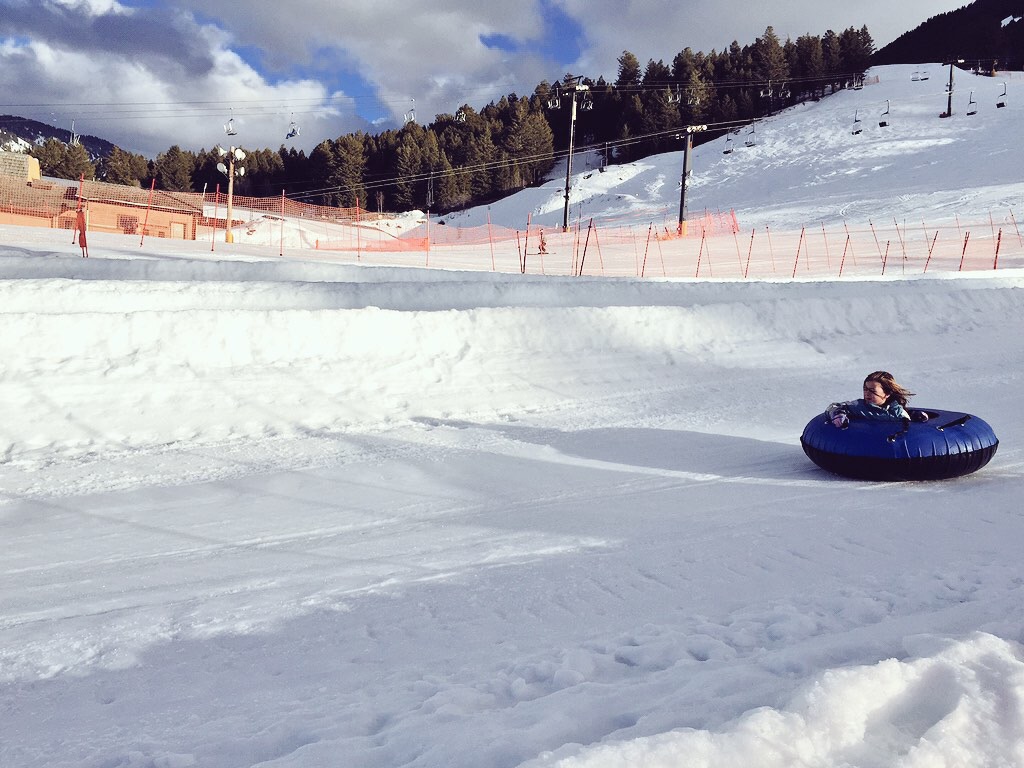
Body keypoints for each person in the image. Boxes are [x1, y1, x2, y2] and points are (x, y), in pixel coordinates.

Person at [826, 371, 926, 428]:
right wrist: (837, 414)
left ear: (887, 393)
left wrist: (916, 416)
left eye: (872, 390)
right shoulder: (859, 406)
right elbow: (835, 406)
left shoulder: (897, 412)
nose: (867, 393)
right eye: (865, 389)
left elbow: (908, 423)